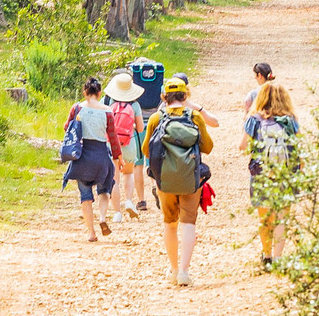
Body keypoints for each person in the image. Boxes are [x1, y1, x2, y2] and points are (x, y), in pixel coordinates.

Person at [144, 75, 214, 287]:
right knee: (188, 223)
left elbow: (146, 149)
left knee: (169, 223)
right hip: (190, 179)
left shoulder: (157, 118)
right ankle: (184, 272)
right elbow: (208, 147)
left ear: (164, 97)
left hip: (164, 180)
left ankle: (173, 269)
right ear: (185, 96)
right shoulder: (194, 117)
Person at [240, 61, 299, 268]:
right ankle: (279, 258)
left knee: (265, 216)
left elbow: (243, 145)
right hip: (285, 173)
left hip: (261, 173)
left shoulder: (254, 119)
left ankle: (266, 256)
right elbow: (298, 146)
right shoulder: (290, 120)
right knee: (282, 215)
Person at [62, 77, 118, 240]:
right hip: (101, 157)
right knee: (104, 189)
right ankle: (102, 217)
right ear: (99, 93)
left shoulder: (77, 108)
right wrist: (118, 157)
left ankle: (91, 233)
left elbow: (67, 127)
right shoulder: (107, 111)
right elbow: (113, 137)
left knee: (85, 194)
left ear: (84, 92)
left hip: (82, 158)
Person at [104, 70, 147, 217]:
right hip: (129, 144)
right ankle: (128, 200)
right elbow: (140, 128)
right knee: (128, 173)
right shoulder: (135, 105)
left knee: (114, 178)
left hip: (112, 144)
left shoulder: (110, 103)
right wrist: (131, 126)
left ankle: (117, 212)